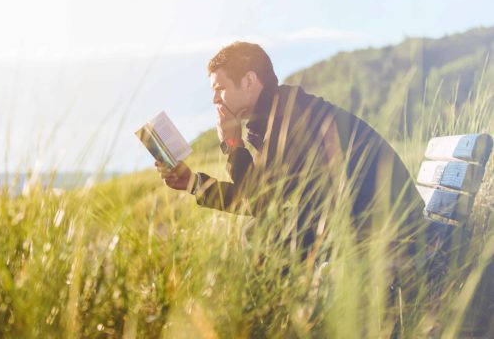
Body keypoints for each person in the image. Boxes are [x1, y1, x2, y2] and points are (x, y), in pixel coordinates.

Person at [156, 41, 428, 296]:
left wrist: (232, 143)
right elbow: (260, 197)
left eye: (220, 88)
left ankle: (286, 322)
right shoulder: (279, 113)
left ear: (249, 81)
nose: (215, 99)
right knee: (259, 230)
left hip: (393, 234)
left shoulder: (290, 119)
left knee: (261, 234)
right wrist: (192, 182)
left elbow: (258, 200)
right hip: (367, 222)